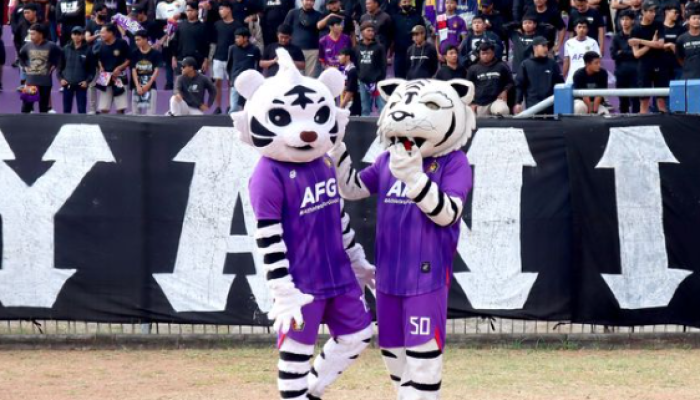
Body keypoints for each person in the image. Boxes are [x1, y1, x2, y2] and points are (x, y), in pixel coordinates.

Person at [630, 0, 667, 113]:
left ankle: (665, 126)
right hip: (644, 67)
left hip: (659, 65)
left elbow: (660, 44)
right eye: (650, 11)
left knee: (661, 101)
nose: (653, 13)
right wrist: (651, 43)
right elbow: (637, 54)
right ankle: (643, 127)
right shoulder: (635, 29)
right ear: (643, 12)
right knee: (644, 102)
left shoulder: (658, 25)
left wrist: (640, 41)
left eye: (654, 11)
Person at [515, 36, 564, 114]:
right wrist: (518, 102)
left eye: (547, 46)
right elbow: (520, 85)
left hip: (550, 108)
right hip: (532, 109)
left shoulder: (553, 64)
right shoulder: (525, 64)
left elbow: (560, 84)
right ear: (535, 47)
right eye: (543, 46)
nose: (546, 49)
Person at [19, 23, 60, 113]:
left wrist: (54, 65)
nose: (31, 36)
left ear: (40, 34)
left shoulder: (51, 45)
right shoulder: (27, 46)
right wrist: (25, 66)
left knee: (43, 108)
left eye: (33, 34)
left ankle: (43, 126)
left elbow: (61, 56)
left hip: (45, 82)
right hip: (31, 82)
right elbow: (21, 56)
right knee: (25, 108)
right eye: (30, 34)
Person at [467, 40, 513, 116]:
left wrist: (505, 91)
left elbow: (510, 82)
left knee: (502, 110)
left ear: (493, 53)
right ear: (479, 54)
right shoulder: (473, 69)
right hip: (480, 103)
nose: (485, 56)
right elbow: (468, 87)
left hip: (497, 100)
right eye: (483, 53)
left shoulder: (502, 66)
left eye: (487, 53)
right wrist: (472, 103)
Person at [212, 1, 243, 114]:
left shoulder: (237, 25)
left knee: (231, 84)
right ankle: (218, 107)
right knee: (217, 83)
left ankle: (230, 106)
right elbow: (213, 42)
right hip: (218, 58)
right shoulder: (217, 25)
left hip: (232, 59)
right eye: (219, 9)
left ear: (229, 9)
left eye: (222, 9)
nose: (220, 12)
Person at [96, 23, 130, 114]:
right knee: (104, 108)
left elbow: (129, 60)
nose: (101, 35)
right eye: (100, 33)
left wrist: (119, 68)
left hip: (119, 77)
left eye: (103, 32)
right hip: (105, 77)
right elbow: (98, 59)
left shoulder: (122, 43)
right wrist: (101, 67)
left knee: (120, 107)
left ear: (111, 33)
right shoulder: (100, 45)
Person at [59, 26, 94, 114]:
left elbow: (92, 70)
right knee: (66, 110)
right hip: (67, 84)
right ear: (71, 35)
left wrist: (87, 81)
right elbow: (59, 67)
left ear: (82, 36)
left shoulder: (88, 50)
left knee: (82, 110)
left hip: (81, 85)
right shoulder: (65, 49)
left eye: (79, 34)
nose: (77, 36)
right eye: (75, 34)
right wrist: (61, 79)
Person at [611, 9, 640, 113]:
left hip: (636, 72)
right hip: (621, 73)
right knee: (623, 100)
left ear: (632, 21)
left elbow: (638, 54)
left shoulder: (637, 36)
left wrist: (622, 52)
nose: (624, 22)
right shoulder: (616, 37)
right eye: (622, 19)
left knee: (636, 100)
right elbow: (613, 55)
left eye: (627, 19)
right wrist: (630, 52)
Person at [355, 21, 387, 116]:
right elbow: (356, 64)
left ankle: (383, 128)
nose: (371, 33)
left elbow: (383, 65)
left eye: (372, 31)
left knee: (381, 106)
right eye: (368, 30)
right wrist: (360, 77)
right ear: (362, 32)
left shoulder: (379, 47)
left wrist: (380, 80)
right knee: (365, 108)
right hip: (363, 82)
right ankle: (365, 130)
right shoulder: (357, 48)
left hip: (377, 83)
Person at [171, 2, 210, 76]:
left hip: (198, 61)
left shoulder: (203, 27)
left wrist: (205, 60)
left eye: (191, 10)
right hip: (181, 60)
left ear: (197, 11)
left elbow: (206, 45)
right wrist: (173, 57)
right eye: (187, 11)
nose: (189, 13)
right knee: (180, 85)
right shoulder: (180, 26)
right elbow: (175, 42)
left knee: (197, 86)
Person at [284, 0, 322, 77]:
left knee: (310, 78)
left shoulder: (319, 15)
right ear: (301, 1)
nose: (309, 2)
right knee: (294, 76)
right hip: (295, 50)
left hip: (312, 51)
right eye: (307, 0)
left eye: (311, 1)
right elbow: (285, 30)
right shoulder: (293, 13)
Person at [227, 27, 260, 112]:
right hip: (235, 82)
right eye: (235, 37)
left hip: (249, 83)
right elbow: (229, 66)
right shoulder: (232, 49)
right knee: (234, 108)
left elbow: (259, 66)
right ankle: (231, 124)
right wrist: (231, 79)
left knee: (247, 107)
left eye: (238, 37)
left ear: (245, 38)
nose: (236, 40)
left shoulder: (255, 49)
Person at [131, 29, 162, 115]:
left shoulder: (156, 54)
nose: (136, 42)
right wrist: (137, 86)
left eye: (138, 39)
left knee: (150, 114)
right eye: (135, 40)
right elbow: (133, 70)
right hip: (137, 87)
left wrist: (148, 85)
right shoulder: (134, 53)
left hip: (150, 87)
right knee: (135, 114)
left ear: (145, 39)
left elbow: (156, 70)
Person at [156, 0, 185, 90]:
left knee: (180, 59)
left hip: (180, 35)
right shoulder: (160, 5)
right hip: (167, 36)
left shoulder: (182, 2)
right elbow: (158, 21)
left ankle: (182, 82)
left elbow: (187, 15)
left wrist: (180, 16)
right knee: (168, 61)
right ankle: (169, 82)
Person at [391, 0, 423, 78]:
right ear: (400, 4)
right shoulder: (395, 17)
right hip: (399, 52)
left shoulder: (418, 17)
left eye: (408, 2)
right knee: (399, 77)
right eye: (404, 2)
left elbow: (423, 33)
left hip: (415, 51)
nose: (406, 4)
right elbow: (391, 34)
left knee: (414, 76)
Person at [563, 19, 600, 83]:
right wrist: (562, 76)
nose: (581, 29)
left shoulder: (593, 42)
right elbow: (566, 61)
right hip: (572, 78)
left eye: (584, 27)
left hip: (588, 78)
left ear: (587, 30)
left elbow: (597, 61)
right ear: (575, 29)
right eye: (579, 27)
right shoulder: (568, 43)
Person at [506, 13, 540, 77]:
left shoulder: (538, 38)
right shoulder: (516, 36)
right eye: (524, 23)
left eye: (529, 23)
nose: (527, 25)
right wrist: (518, 24)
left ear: (535, 24)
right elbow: (505, 27)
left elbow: (548, 28)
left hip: (532, 71)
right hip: (517, 71)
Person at [676, 8, 700, 79]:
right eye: (694, 18)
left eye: (699, 18)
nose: (697, 20)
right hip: (688, 75)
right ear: (688, 21)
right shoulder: (681, 39)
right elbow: (679, 57)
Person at [661, 4, 684, 79]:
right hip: (662, 64)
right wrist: (669, 45)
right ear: (667, 12)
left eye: (678, 13)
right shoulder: (659, 27)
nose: (677, 14)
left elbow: (681, 48)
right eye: (675, 12)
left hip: (677, 64)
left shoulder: (681, 29)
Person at [338, 47, 361, 115]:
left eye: (340, 55)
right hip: (347, 103)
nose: (338, 57)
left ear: (347, 57)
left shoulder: (352, 71)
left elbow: (350, 91)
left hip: (353, 104)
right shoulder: (345, 70)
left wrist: (341, 106)